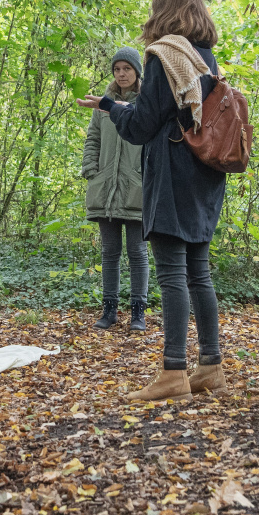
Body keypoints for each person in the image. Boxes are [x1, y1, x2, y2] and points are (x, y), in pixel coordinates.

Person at [77, 0, 227, 403]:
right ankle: (211, 367)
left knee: (173, 272)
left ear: (166, 13)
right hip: (205, 175)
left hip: (174, 173)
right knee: (198, 271)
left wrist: (111, 107)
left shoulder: (163, 55)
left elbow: (143, 124)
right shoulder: (204, 57)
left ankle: (173, 371)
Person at [82, 47, 148, 331]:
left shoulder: (146, 104)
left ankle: (138, 314)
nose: (122, 74)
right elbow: (93, 139)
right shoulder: (102, 105)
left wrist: (145, 176)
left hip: (137, 188)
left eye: (127, 69)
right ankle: (109, 311)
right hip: (105, 187)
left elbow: (153, 143)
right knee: (110, 252)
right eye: (117, 69)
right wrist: (91, 170)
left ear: (137, 73)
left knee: (137, 252)